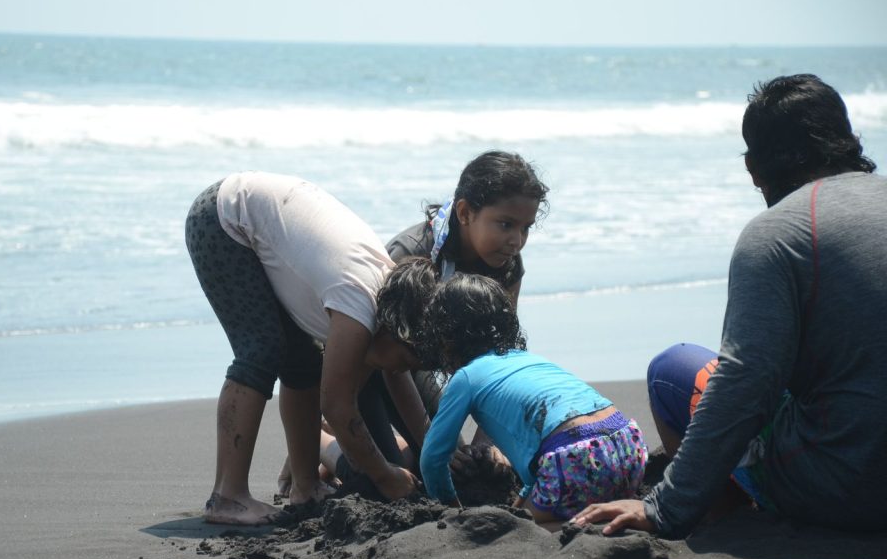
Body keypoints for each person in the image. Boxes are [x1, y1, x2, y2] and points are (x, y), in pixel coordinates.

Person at [574, 73, 887, 538]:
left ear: (754, 169)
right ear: (849, 142)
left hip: (845, 491)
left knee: (672, 371)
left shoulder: (780, 233)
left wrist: (665, 506)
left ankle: (721, 511)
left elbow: (746, 381)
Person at [185, 172, 427, 525]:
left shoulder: (397, 302)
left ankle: (306, 486)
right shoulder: (359, 304)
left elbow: (385, 376)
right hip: (223, 220)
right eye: (405, 358)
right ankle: (227, 496)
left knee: (303, 364)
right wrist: (385, 475)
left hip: (261, 221)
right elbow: (337, 406)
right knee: (261, 351)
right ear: (394, 333)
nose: (398, 369)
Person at [311, 151, 549, 487]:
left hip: (420, 364)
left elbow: (499, 356)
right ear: (465, 212)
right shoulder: (410, 255)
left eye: (526, 228)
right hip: (374, 365)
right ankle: (315, 443)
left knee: (460, 469)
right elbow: (391, 365)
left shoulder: (507, 265)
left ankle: (378, 444)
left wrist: (488, 440)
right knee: (379, 477)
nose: (517, 240)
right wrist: (432, 442)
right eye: (506, 224)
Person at [385, 259, 648, 526]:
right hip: (628, 447)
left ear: (443, 337)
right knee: (540, 503)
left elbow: (432, 459)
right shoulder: (530, 360)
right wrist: (522, 500)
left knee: (529, 529)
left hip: (574, 461)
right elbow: (541, 456)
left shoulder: (466, 377)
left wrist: (451, 510)